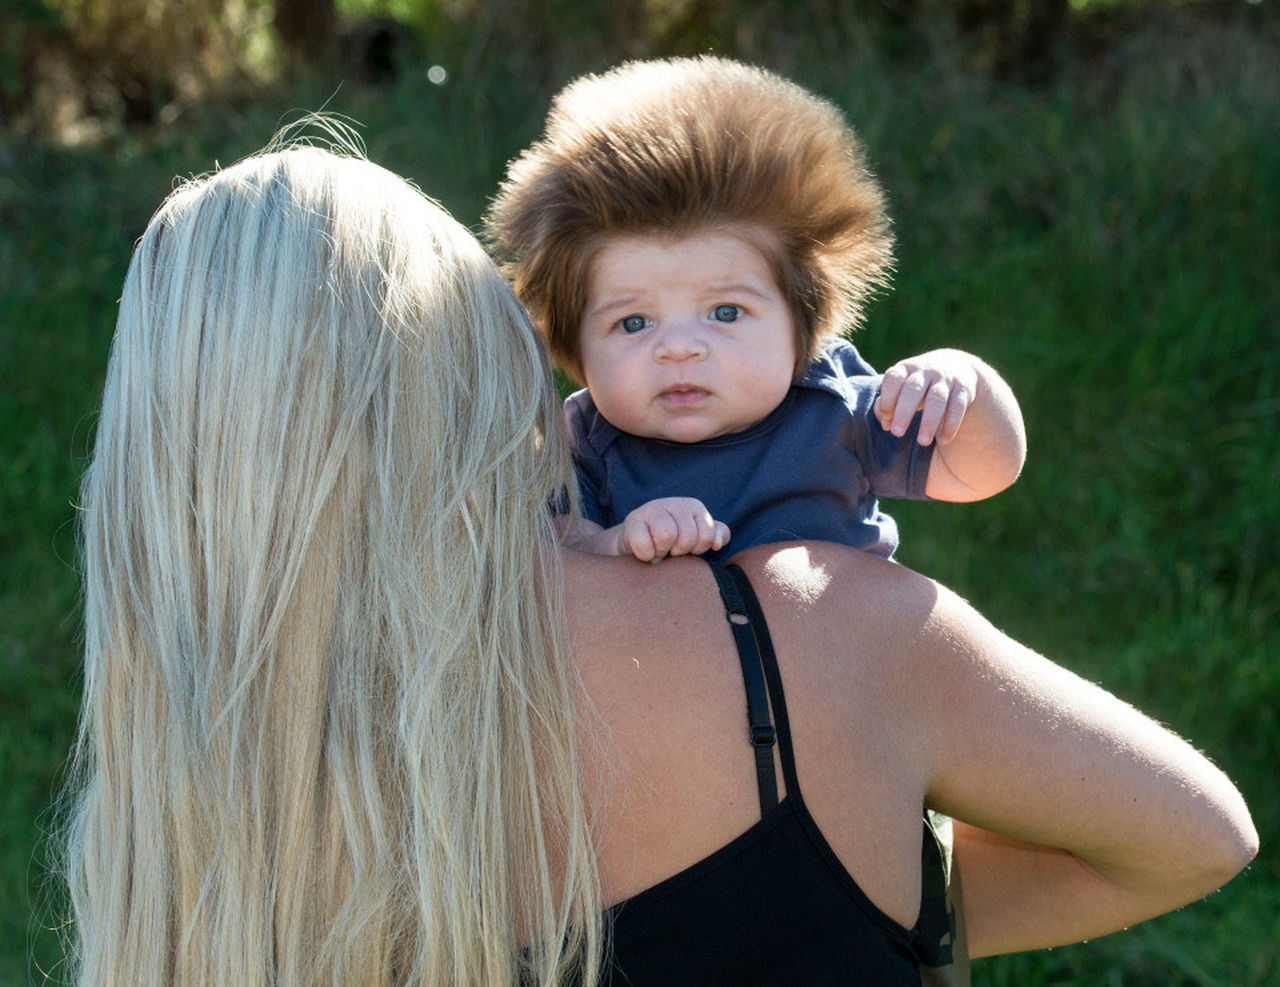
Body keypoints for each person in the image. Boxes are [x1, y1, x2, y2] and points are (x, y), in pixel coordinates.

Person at [61, 135, 1256, 985]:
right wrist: (870, 882)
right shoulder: (810, 624)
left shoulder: (182, 796)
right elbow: (1191, 835)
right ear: (478, 361)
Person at [486, 56, 1027, 563]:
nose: (679, 347)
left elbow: (983, 472)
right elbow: (545, 548)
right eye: (634, 323)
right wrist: (612, 544)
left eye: (725, 312)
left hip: (846, 653)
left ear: (802, 323)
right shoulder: (587, 443)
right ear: (572, 345)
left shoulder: (830, 409)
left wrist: (966, 384)